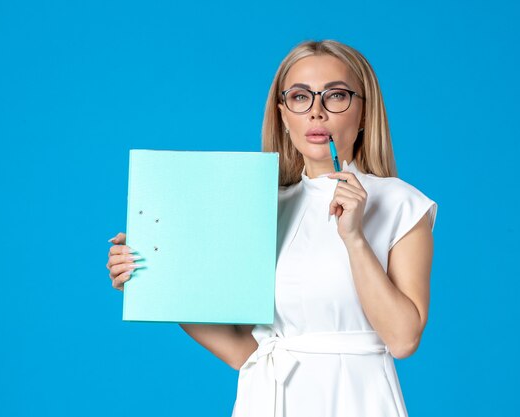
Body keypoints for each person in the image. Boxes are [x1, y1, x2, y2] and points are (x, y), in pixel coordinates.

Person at [106, 39, 437, 417]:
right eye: (300, 97)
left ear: (363, 111)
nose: (317, 112)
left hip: (355, 398)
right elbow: (240, 349)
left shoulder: (400, 203)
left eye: (336, 96)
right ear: (282, 113)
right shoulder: (263, 206)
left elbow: (403, 339)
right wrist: (152, 275)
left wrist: (354, 238)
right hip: (266, 399)